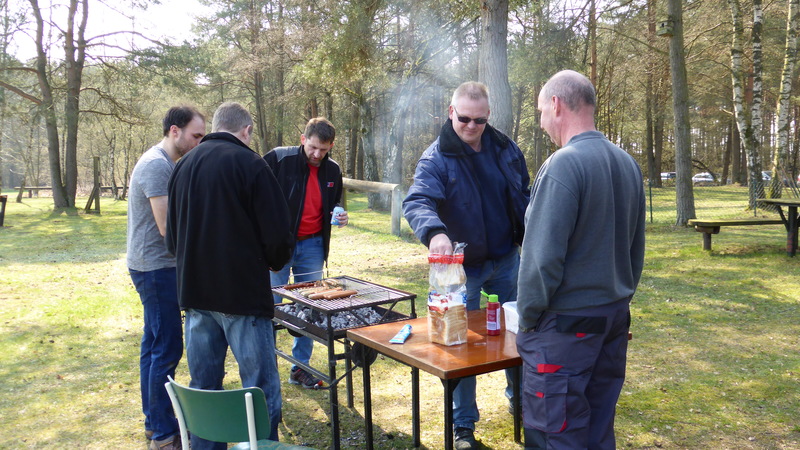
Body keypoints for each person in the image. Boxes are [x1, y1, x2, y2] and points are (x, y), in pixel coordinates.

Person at [516, 70, 646, 449]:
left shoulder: (563, 165)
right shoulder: (627, 163)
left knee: (555, 432)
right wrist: (620, 300)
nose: (541, 122)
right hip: (613, 317)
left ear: (556, 105)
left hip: (565, 327)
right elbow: (635, 250)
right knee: (598, 425)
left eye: (541, 111)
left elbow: (541, 260)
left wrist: (527, 319)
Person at [403, 81, 531, 449]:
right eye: (464, 119)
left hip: (507, 258)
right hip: (463, 269)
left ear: (488, 117)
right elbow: (418, 201)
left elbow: (523, 193)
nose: (472, 127)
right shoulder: (435, 158)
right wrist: (435, 233)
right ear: (450, 113)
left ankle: (522, 405)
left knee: (519, 336)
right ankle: (463, 428)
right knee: (459, 347)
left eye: (480, 120)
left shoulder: (504, 147)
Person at [165, 102, 294, 449]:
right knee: (260, 389)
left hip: (195, 297)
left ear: (216, 127)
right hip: (242, 300)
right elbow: (279, 237)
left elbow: (172, 239)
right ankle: (262, 445)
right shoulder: (251, 164)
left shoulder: (182, 166)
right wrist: (274, 260)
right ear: (246, 131)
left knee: (204, 388)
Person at [127, 106, 205, 450]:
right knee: (168, 347)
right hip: (155, 269)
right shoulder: (158, 165)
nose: (199, 142)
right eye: (196, 136)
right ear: (175, 131)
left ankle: (153, 421)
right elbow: (167, 230)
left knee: (154, 345)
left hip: (154, 265)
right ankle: (163, 435)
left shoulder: (166, 162)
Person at [265, 117, 348, 389]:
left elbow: (334, 204)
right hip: (277, 245)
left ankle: (299, 368)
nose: (316, 154)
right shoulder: (279, 159)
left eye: (323, 150)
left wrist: (339, 214)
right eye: (312, 147)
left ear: (330, 146)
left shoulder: (333, 170)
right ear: (303, 139)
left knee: (309, 307)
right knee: (271, 307)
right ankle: (266, 369)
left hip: (312, 245)